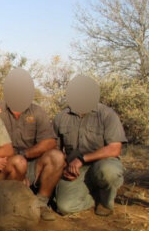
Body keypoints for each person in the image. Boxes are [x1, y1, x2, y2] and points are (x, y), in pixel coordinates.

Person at [0, 68, 65, 221]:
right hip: (6, 165)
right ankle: (14, 204)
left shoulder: (37, 111)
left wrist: (24, 156)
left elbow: (50, 142)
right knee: (15, 164)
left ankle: (41, 203)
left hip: (29, 163)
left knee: (57, 157)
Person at [53, 75, 126, 216]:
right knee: (64, 207)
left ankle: (106, 202)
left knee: (108, 171)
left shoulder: (107, 114)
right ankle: (95, 197)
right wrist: (64, 168)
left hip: (102, 162)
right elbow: (55, 150)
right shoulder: (61, 117)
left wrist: (82, 159)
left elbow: (114, 149)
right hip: (75, 167)